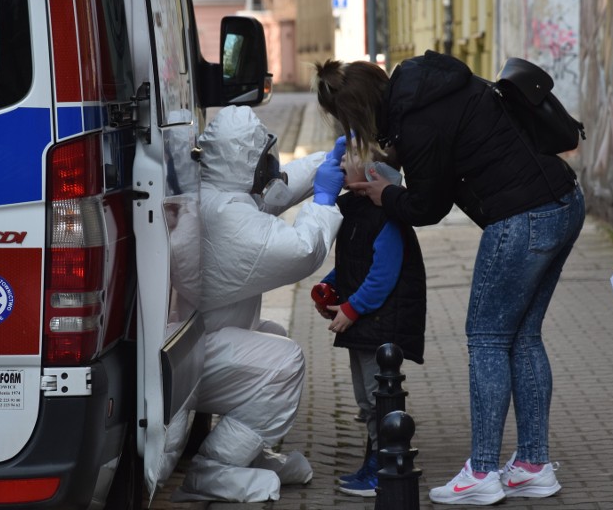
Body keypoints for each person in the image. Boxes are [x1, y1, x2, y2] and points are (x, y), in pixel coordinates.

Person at [313, 55, 585, 505]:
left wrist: (386, 194)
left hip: (522, 218)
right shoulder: (426, 88)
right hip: (562, 201)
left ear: (357, 110)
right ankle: (533, 465)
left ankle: (481, 471)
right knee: (523, 337)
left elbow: (426, 206)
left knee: (488, 339)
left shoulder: (415, 121)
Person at [172, 106, 346, 502]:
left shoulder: (219, 195)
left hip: (195, 343)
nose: (272, 163)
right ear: (249, 161)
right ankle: (214, 467)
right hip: (191, 357)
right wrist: (322, 200)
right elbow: (301, 249)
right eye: (266, 155)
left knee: (272, 336)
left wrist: (328, 160)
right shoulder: (229, 220)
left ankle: (247, 452)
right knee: (283, 363)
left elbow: (276, 191)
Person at [310, 149, 426, 498]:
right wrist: (331, 285)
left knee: (379, 397)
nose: (341, 163)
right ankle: (375, 460)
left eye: (349, 157)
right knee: (367, 400)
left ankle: (385, 468)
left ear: (373, 171)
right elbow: (354, 261)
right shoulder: (356, 210)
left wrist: (352, 308)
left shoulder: (385, 217)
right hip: (366, 322)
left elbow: (382, 275)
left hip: (379, 322)